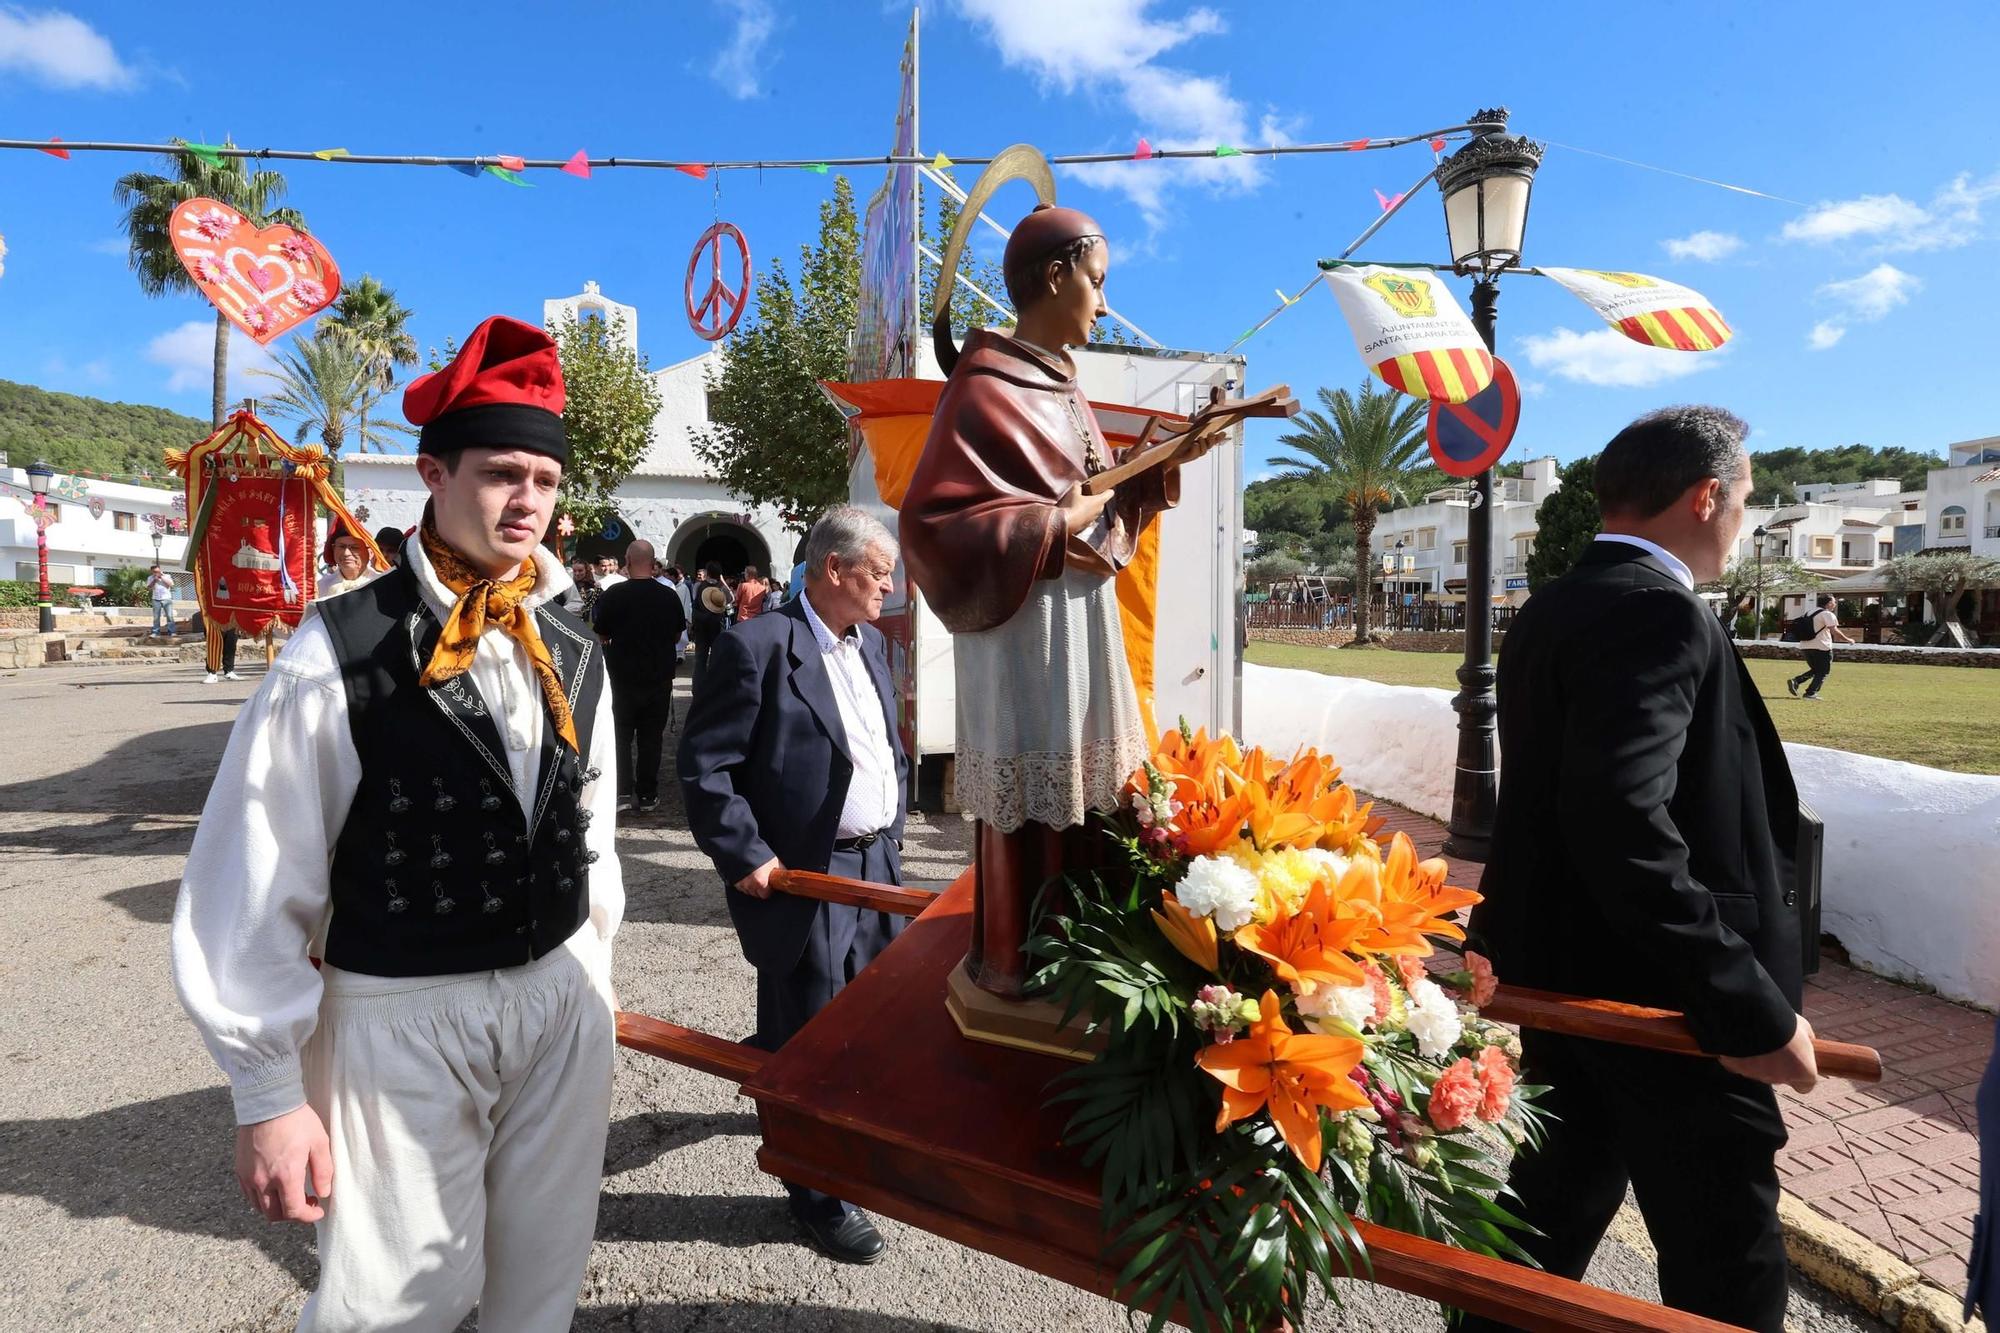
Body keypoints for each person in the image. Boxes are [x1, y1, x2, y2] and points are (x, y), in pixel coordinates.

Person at [172, 314, 622, 1333]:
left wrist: (591, 976)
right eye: (503, 473)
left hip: (556, 1003)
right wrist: (267, 1092)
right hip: (400, 1015)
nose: (528, 502)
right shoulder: (340, 644)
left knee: (538, 1286)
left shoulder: (574, 647)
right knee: (390, 1304)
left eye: (545, 481)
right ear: (434, 471)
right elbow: (256, 867)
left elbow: (585, 827)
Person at [1462, 406, 1815, 1333]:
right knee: (1726, 1262)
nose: (1741, 520)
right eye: (1742, 500)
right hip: (1665, 1007)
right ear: (1705, 496)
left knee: (1549, 1214)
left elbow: (1551, 801)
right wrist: (1741, 998)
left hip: (1567, 981)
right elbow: (1618, 815)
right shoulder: (1659, 615)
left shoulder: (1552, 605)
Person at [898, 197, 1188, 999]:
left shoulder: (1063, 386)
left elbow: (1092, 499)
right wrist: (1048, 526)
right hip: (1028, 631)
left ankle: (1091, 954)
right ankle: (1022, 958)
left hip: (1081, 623)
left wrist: (1153, 469)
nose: (1103, 301)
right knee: (1038, 796)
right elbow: (931, 521)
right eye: (1096, 282)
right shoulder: (983, 384)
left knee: (1090, 798)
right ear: (1055, 276)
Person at [678, 505, 907, 1265]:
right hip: (808, 873)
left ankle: (829, 1124)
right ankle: (816, 1193)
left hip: (876, 867)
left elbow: (880, 745)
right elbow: (706, 767)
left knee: (869, 1018)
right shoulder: (756, 645)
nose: (890, 586)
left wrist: (892, 827)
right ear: (835, 569)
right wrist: (747, 855)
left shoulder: (871, 642)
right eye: (879, 572)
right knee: (813, 1029)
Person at [592, 539, 687, 815]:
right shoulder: (668, 596)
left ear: (627, 560)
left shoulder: (614, 594)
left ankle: (621, 792)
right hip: (657, 677)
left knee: (620, 736)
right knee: (651, 738)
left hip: (622, 677)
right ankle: (647, 794)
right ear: (654, 561)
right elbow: (677, 635)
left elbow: (602, 634)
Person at [1788, 593, 1853, 700]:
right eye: (1834, 602)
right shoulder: (1827, 614)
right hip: (1821, 646)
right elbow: (1834, 631)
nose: (1835, 604)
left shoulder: (1809, 612)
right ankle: (1810, 693)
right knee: (1823, 671)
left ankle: (1797, 681)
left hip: (1805, 645)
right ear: (1828, 603)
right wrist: (1848, 639)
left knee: (1816, 670)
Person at [688, 561, 731, 693]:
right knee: (717, 659)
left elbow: (694, 605)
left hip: (701, 627)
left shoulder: (699, 586)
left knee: (700, 660)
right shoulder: (722, 588)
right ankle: (716, 688)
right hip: (717, 626)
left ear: (708, 572)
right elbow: (730, 599)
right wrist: (723, 582)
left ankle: (698, 689)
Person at [316, 530, 375, 600]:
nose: (346, 553)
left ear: (370, 553)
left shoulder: (380, 583)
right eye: (341, 547)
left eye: (354, 547)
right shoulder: (321, 586)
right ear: (333, 549)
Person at [147, 563, 176, 637]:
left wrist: (162, 577)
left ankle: (172, 632)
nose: (156, 573)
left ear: (160, 570)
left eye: (157, 571)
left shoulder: (167, 576)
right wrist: (154, 580)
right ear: (152, 572)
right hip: (156, 599)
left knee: (169, 616)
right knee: (156, 617)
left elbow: (171, 584)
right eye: (154, 572)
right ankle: (155, 632)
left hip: (167, 598)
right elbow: (149, 587)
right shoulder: (150, 578)